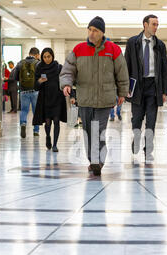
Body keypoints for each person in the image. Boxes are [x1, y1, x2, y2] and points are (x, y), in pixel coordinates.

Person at [60, 16, 129, 176]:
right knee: (87, 132)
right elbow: (68, 69)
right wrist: (67, 84)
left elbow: (122, 73)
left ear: (102, 33)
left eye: (95, 30)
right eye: (89, 29)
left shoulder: (113, 49)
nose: (91, 33)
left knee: (99, 131)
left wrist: (122, 93)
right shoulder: (79, 49)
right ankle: (93, 160)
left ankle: (98, 161)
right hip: (84, 98)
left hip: (105, 99)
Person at [124, 14, 167, 162]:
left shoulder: (160, 45)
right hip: (137, 86)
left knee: (151, 119)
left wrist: (164, 91)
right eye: (153, 24)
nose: (156, 27)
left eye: (157, 24)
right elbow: (126, 66)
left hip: (153, 86)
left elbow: (164, 69)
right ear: (145, 25)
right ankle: (136, 139)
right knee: (136, 119)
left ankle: (148, 148)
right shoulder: (132, 42)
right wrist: (126, 87)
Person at [33, 48, 67, 152]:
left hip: (57, 98)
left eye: (49, 56)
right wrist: (39, 81)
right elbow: (35, 86)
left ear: (52, 56)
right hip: (45, 99)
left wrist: (72, 95)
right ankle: (48, 136)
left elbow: (65, 81)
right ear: (42, 58)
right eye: (44, 57)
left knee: (56, 121)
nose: (47, 59)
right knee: (48, 122)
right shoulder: (39, 68)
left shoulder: (58, 67)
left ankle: (55, 144)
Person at [10, 47, 41, 138]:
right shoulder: (38, 63)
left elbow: (15, 77)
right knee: (36, 111)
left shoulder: (20, 63)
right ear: (36, 55)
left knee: (24, 110)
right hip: (35, 91)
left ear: (29, 53)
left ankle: (23, 124)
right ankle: (36, 131)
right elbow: (42, 77)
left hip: (23, 91)